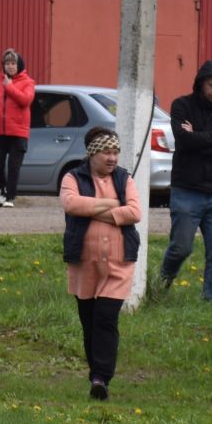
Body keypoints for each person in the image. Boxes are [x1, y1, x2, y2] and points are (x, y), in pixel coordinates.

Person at [60, 128, 143, 400]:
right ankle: (95, 373)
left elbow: (135, 212)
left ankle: (101, 378)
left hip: (119, 264)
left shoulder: (124, 178)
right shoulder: (73, 177)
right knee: (89, 322)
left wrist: (95, 209)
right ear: (92, 153)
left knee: (106, 318)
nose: (112, 158)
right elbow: (71, 204)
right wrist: (111, 205)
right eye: (107, 152)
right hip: (84, 264)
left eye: (116, 152)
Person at [157, 61, 212, 302]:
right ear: (200, 82)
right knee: (181, 248)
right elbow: (184, 142)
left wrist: (199, 138)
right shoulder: (181, 105)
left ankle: (211, 300)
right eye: (211, 85)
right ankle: (161, 283)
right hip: (186, 190)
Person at [0, 48, 35, 208]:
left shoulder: (28, 82)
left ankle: (10, 197)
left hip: (18, 132)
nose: (10, 66)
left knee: (13, 167)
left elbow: (26, 100)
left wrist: (9, 86)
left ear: (19, 65)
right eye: (7, 63)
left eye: (13, 63)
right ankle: (3, 187)